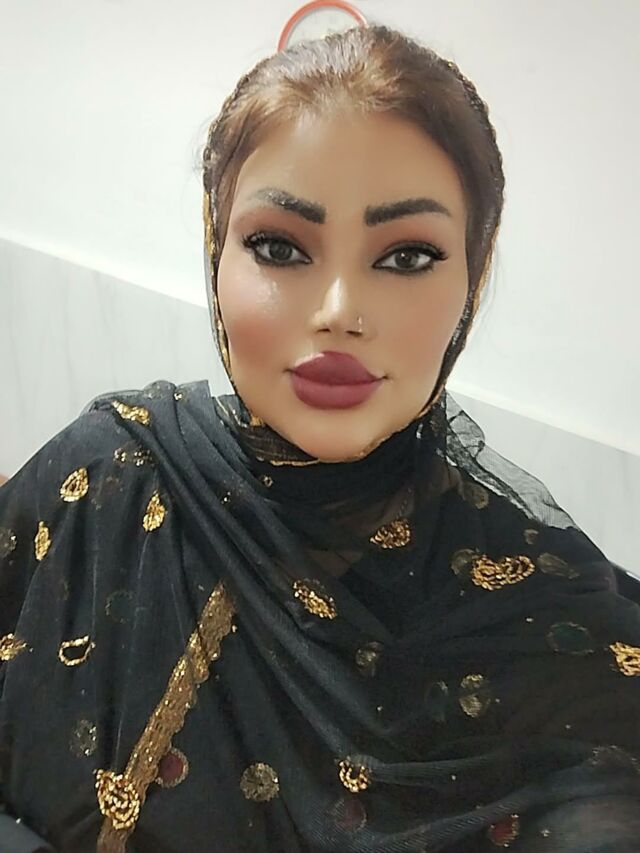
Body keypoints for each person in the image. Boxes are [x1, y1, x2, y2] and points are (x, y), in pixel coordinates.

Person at [1, 22, 639, 853]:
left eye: (407, 257)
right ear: (216, 255)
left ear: (472, 279)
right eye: (279, 247)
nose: (339, 310)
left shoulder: (554, 636)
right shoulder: (102, 479)